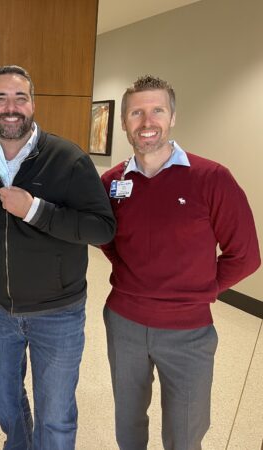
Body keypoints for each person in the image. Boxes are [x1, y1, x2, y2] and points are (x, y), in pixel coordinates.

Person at [100, 75, 261, 450]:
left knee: (185, 432)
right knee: (128, 422)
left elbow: (245, 255)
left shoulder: (212, 179)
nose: (147, 121)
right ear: (123, 122)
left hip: (188, 332)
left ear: (173, 117)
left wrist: (203, 288)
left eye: (157, 110)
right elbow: (106, 239)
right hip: (124, 324)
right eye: (136, 113)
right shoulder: (111, 182)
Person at [0, 65, 116, 449]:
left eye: (20, 98)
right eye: (0, 98)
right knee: (4, 399)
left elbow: (102, 228)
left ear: (32, 105)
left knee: (56, 413)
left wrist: (35, 210)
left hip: (57, 313)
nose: (10, 107)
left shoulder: (68, 159)